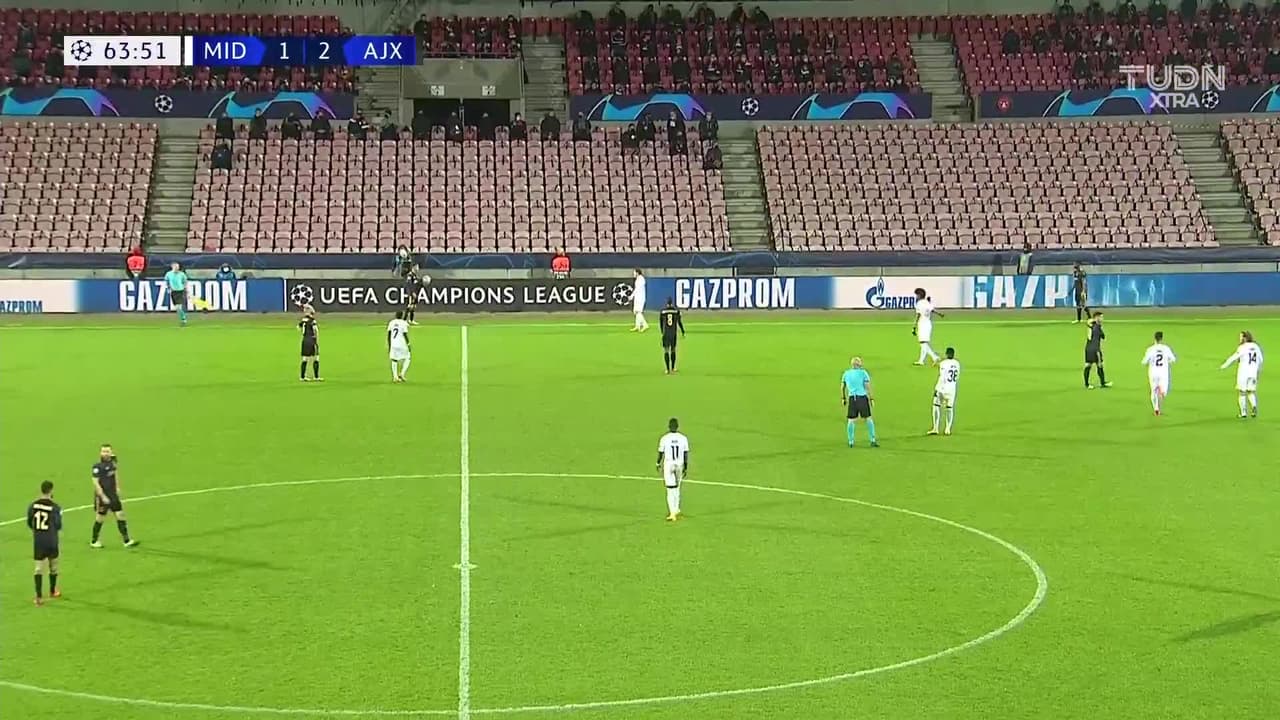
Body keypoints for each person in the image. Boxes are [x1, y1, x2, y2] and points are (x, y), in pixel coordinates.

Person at [90, 444, 137, 549]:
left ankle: (126, 540)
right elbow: (95, 483)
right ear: (100, 453)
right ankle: (94, 540)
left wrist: (117, 488)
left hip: (113, 495)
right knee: (100, 518)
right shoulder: (97, 467)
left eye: (107, 451)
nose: (105, 453)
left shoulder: (112, 463)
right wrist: (103, 496)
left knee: (120, 515)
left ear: (111, 452)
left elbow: (115, 474)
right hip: (102, 496)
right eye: (103, 451)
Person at [28, 480, 62, 606]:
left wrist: (37, 531)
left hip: (39, 541)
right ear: (51, 491)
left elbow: (29, 522)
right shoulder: (55, 507)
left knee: (38, 568)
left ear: (41, 490)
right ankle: (53, 591)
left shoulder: (33, 506)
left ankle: (38, 597)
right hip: (51, 540)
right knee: (53, 566)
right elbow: (58, 525)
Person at [1220, 331, 1263, 418]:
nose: (1239, 339)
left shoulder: (1242, 347)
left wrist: (1224, 366)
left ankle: (1243, 413)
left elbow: (1234, 358)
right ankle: (1254, 406)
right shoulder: (1256, 346)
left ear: (1245, 338)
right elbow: (1261, 360)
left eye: (1241, 337)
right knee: (1251, 391)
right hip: (1253, 373)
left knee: (1242, 392)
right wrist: (1257, 369)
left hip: (1243, 373)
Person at [654, 417, 689, 521]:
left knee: (670, 489)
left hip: (669, 465)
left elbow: (661, 453)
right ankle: (677, 509)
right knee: (677, 487)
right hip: (679, 464)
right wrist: (685, 467)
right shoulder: (683, 438)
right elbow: (685, 454)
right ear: (677, 426)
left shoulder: (664, 438)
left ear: (669, 427)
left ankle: (672, 513)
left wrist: (657, 463)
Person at [840, 357, 878, 448]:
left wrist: (843, 398)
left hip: (852, 398)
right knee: (868, 419)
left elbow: (842, 387)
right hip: (862, 398)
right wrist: (871, 398)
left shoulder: (846, 373)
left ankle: (851, 441)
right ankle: (872, 440)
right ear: (859, 364)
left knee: (851, 420)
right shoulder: (863, 373)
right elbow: (867, 386)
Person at [1140, 331, 1176, 415]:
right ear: (1162, 338)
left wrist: (1149, 362)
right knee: (1164, 391)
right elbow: (1173, 359)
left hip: (1153, 373)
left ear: (1155, 338)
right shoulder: (1166, 348)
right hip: (1163, 373)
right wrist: (1167, 361)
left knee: (1153, 391)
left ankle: (1156, 409)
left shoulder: (1150, 349)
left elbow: (1144, 362)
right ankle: (1161, 391)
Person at [929, 347, 961, 436]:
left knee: (936, 406)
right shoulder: (957, 363)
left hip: (942, 388)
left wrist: (936, 361)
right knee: (949, 408)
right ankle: (948, 429)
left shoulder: (943, 363)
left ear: (946, 354)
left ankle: (935, 428)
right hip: (952, 389)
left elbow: (940, 372)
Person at [912, 288, 943, 366]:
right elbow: (932, 310)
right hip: (928, 323)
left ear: (919, 295)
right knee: (923, 343)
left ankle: (934, 357)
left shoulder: (919, 304)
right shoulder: (927, 302)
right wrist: (940, 314)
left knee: (923, 343)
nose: (916, 297)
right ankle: (922, 360)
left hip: (922, 324)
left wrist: (914, 326)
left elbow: (918, 315)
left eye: (917, 295)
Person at [1084, 311, 1111, 389]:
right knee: (1099, 365)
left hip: (1088, 348)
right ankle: (1102, 383)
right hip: (1095, 349)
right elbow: (1103, 336)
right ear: (1097, 317)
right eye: (1101, 317)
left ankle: (1087, 384)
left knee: (1088, 365)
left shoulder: (1093, 325)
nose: (1102, 319)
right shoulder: (1096, 327)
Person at [659, 298, 686, 374]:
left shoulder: (662, 311)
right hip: (673, 333)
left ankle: (667, 369)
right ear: (672, 304)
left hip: (666, 334)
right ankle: (673, 368)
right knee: (673, 350)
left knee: (666, 350)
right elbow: (679, 322)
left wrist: (662, 332)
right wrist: (683, 331)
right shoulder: (676, 311)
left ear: (667, 304)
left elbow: (661, 323)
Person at [298, 304, 322, 382]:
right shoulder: (312, 321)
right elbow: (315, 330)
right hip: (312, 339)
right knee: (316, 357)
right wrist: (316, 339)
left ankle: (302, 377)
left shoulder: (303, 320)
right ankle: (316, 377)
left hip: (305, 339)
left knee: (305, 358)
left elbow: (298, 327)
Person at [388, 310, 412, 383]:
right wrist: (408, 344)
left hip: (393, 344)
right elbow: (405, 334)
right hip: (402, 344)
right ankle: (402, 374)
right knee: (408, 357)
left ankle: (395, 377)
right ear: (402, 316)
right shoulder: (403, 323)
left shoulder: (391, 322)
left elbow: (388, 335)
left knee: (394, 360)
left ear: (395, 315)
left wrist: (389, 345)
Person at [164, 261, 189, 326]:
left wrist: (186, 290)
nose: (177, 268)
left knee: (179, 307)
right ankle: (183, 316)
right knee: (177, 308)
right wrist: (168, 288)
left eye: (178, 267)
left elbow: (185, 282)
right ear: (172, 267)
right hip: (173, 292)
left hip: (180, 291)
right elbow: (167, 281)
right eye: (175, 267)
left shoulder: (182, 274)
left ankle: (183, 319)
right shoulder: (168, 274)